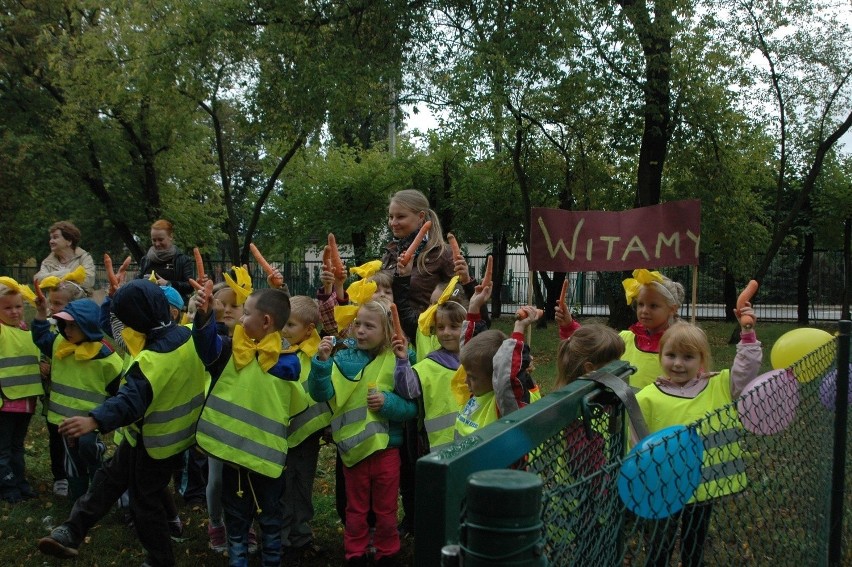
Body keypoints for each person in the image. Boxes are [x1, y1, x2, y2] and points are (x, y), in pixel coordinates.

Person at [37, 279, 208, 566]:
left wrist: (94, 419)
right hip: (154, 437)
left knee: (145, 505)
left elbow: (129, 400)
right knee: (108, 479)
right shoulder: (190, 335)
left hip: (155, 444)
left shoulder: (151, 360)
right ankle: (72, 531)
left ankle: (160, 560)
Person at [634, 305, 761, 567]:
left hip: (704, 486)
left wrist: (747, 334)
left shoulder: (719, 386)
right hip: (665, 486)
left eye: (688, 357)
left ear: (701, 359)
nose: (678, 363)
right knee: (660, 544)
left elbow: (745, 371)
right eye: (671, 355)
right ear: (661, 356)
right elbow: (635, 442)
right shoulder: (646, 396)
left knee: (695, 541)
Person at [192, 283, 305, 567]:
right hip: (235, 458)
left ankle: (266, 560)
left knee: (268, 518)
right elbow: (207, 348)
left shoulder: (287, 364)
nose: (241, 319)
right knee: (238, 517)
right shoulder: (234, 352)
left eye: (247, 313)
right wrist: (207, 317)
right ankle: (241, 560)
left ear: (265, 321)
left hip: (264, 462)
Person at [309, 300, 417, 567]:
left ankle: (387, 551)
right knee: (355, 508)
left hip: (386, 450)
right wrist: (322, 364)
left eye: (370, 326)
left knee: (386, 508)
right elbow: (321, 394)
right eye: (358, 324)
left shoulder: (397, 360)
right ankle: (354, 552)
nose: (360, 331)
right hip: (353, 450)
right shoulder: (342, 359)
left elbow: (411, 407)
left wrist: (388, 403)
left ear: (387, 330)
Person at [31, 298, 123, 501]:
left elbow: (119, 391)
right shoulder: (58, 344)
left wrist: (107, 417)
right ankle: (79, 497)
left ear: (88, 326)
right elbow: (39, 336)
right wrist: (39, 314)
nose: (67, 330)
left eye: (74, 325)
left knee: (88, 449)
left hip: (91, 421)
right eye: (65, 325)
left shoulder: (107, 357)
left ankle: (99, 482)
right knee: (72, 460)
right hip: (63, 420)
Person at [557, 268, 685, 390]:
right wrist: (569, 325)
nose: (644, 311)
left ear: (672, 309)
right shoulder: (626, 338)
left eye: (653, 306)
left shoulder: (680, 345)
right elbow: (593, 347)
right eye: (641, 304)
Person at [392, 278, 467, 455]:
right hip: (440, 447)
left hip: (475, 444)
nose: (446, 332)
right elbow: (407, 390)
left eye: (453, 326)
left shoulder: (476, 361)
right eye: (440, 327)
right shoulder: (430, 364)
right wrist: (402, 361)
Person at [280, 296, 329, 562]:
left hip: (307, 435)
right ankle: (283, 539)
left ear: (309, 329)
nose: (284, 330)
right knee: (284, 488)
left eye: (290, 325)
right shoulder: (277, 350)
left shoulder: (315, 354)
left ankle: (300, 536)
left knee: (302, 486)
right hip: (281, 434)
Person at [35, 270, 91, 498]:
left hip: (78, 405)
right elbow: (40, 344)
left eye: (58, 304)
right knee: (56, 439)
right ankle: (60, 476)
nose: (53, 308)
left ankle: (80, 475)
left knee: (79, 444)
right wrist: (42, 365)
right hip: (54, 398)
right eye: (51, 302)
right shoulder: (52, 329)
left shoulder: (79, 334)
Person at [454, 305, 540, 439]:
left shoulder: (506, 404)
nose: (465, 381)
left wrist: (519, 329)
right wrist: (475, 307)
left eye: (472, 378)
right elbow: (470, 353)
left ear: (495, 377)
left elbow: (507, 378)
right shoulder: (478, 390)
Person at [0, 277, 42, 503]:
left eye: (18, 306)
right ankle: (8, 487)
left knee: (17, 446)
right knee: (4, 449)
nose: (14, 312)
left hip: (26, 401)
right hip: (5, 402)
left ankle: (19, 481)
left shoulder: (26, 331)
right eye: (7, 308)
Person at [382, 189, 454, 315]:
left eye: (401, 217)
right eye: (391, 216)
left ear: (421, 216)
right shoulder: (391, 251)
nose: (393, 223)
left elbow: (459, 302)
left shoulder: (442, 254)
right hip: (389, 330)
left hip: (422, 331)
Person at [136, 219, 195, 304]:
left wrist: (168, 284)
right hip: (148, 306)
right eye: (154, 240)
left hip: (173, 308)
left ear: (170, 236)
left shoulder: (183, 260)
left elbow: (189, 286)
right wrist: (143, 282)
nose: (157, 244)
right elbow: (137, 282)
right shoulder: (145, 260)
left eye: (160, 239)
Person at [34, 221, 96, 293]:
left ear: (69, 241)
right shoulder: (47, 262)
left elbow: (88, 282)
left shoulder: (84, 258)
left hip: (78, 302)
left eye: (55, 237)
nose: (51, 241)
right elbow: (39, 281)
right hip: (55, 303)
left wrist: (52, 280)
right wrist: (68, 273)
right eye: (50, 238)